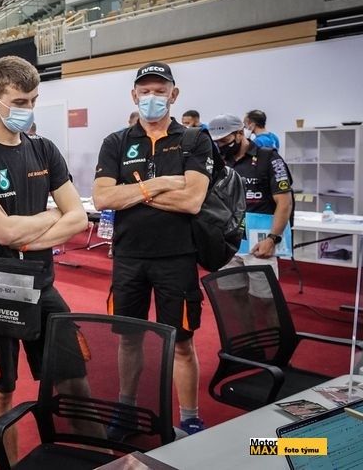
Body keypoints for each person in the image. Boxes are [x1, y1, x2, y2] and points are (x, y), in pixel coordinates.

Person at [0, 55, 93, 464]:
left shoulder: (44, 149)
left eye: (33, 100)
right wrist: (50, 217)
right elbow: (1, 232)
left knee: (74, 381)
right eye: (18, 102)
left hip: (41, 283)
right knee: (2, 390)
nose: (27, 110)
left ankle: (97, 458)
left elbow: (78, 217)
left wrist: (29, 236)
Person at [92, 61, 212, 436]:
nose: (152, 98)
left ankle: (190, 418)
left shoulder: (194, 140)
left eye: (160, 91)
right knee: (129, 339)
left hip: (177, 258)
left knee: (182, 342)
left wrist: (130, 193)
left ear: (174, 95)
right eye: (145, 91)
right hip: (129, 258)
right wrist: (159, 184)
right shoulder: (116, 142)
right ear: (134, 96)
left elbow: (192, 201)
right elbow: (102, 198)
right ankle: (126, 410)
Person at [208, 113, 294, 324]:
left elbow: (285, 203)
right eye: (216, 142)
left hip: (260, 244)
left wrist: (272, 238)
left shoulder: (269, 158)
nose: (220, 146)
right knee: (233, 296)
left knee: (266, 301)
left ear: (240, 133)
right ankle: (247, 341)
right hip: (228, 244)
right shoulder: (219, 162)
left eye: (224, 140)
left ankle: (275, 344)